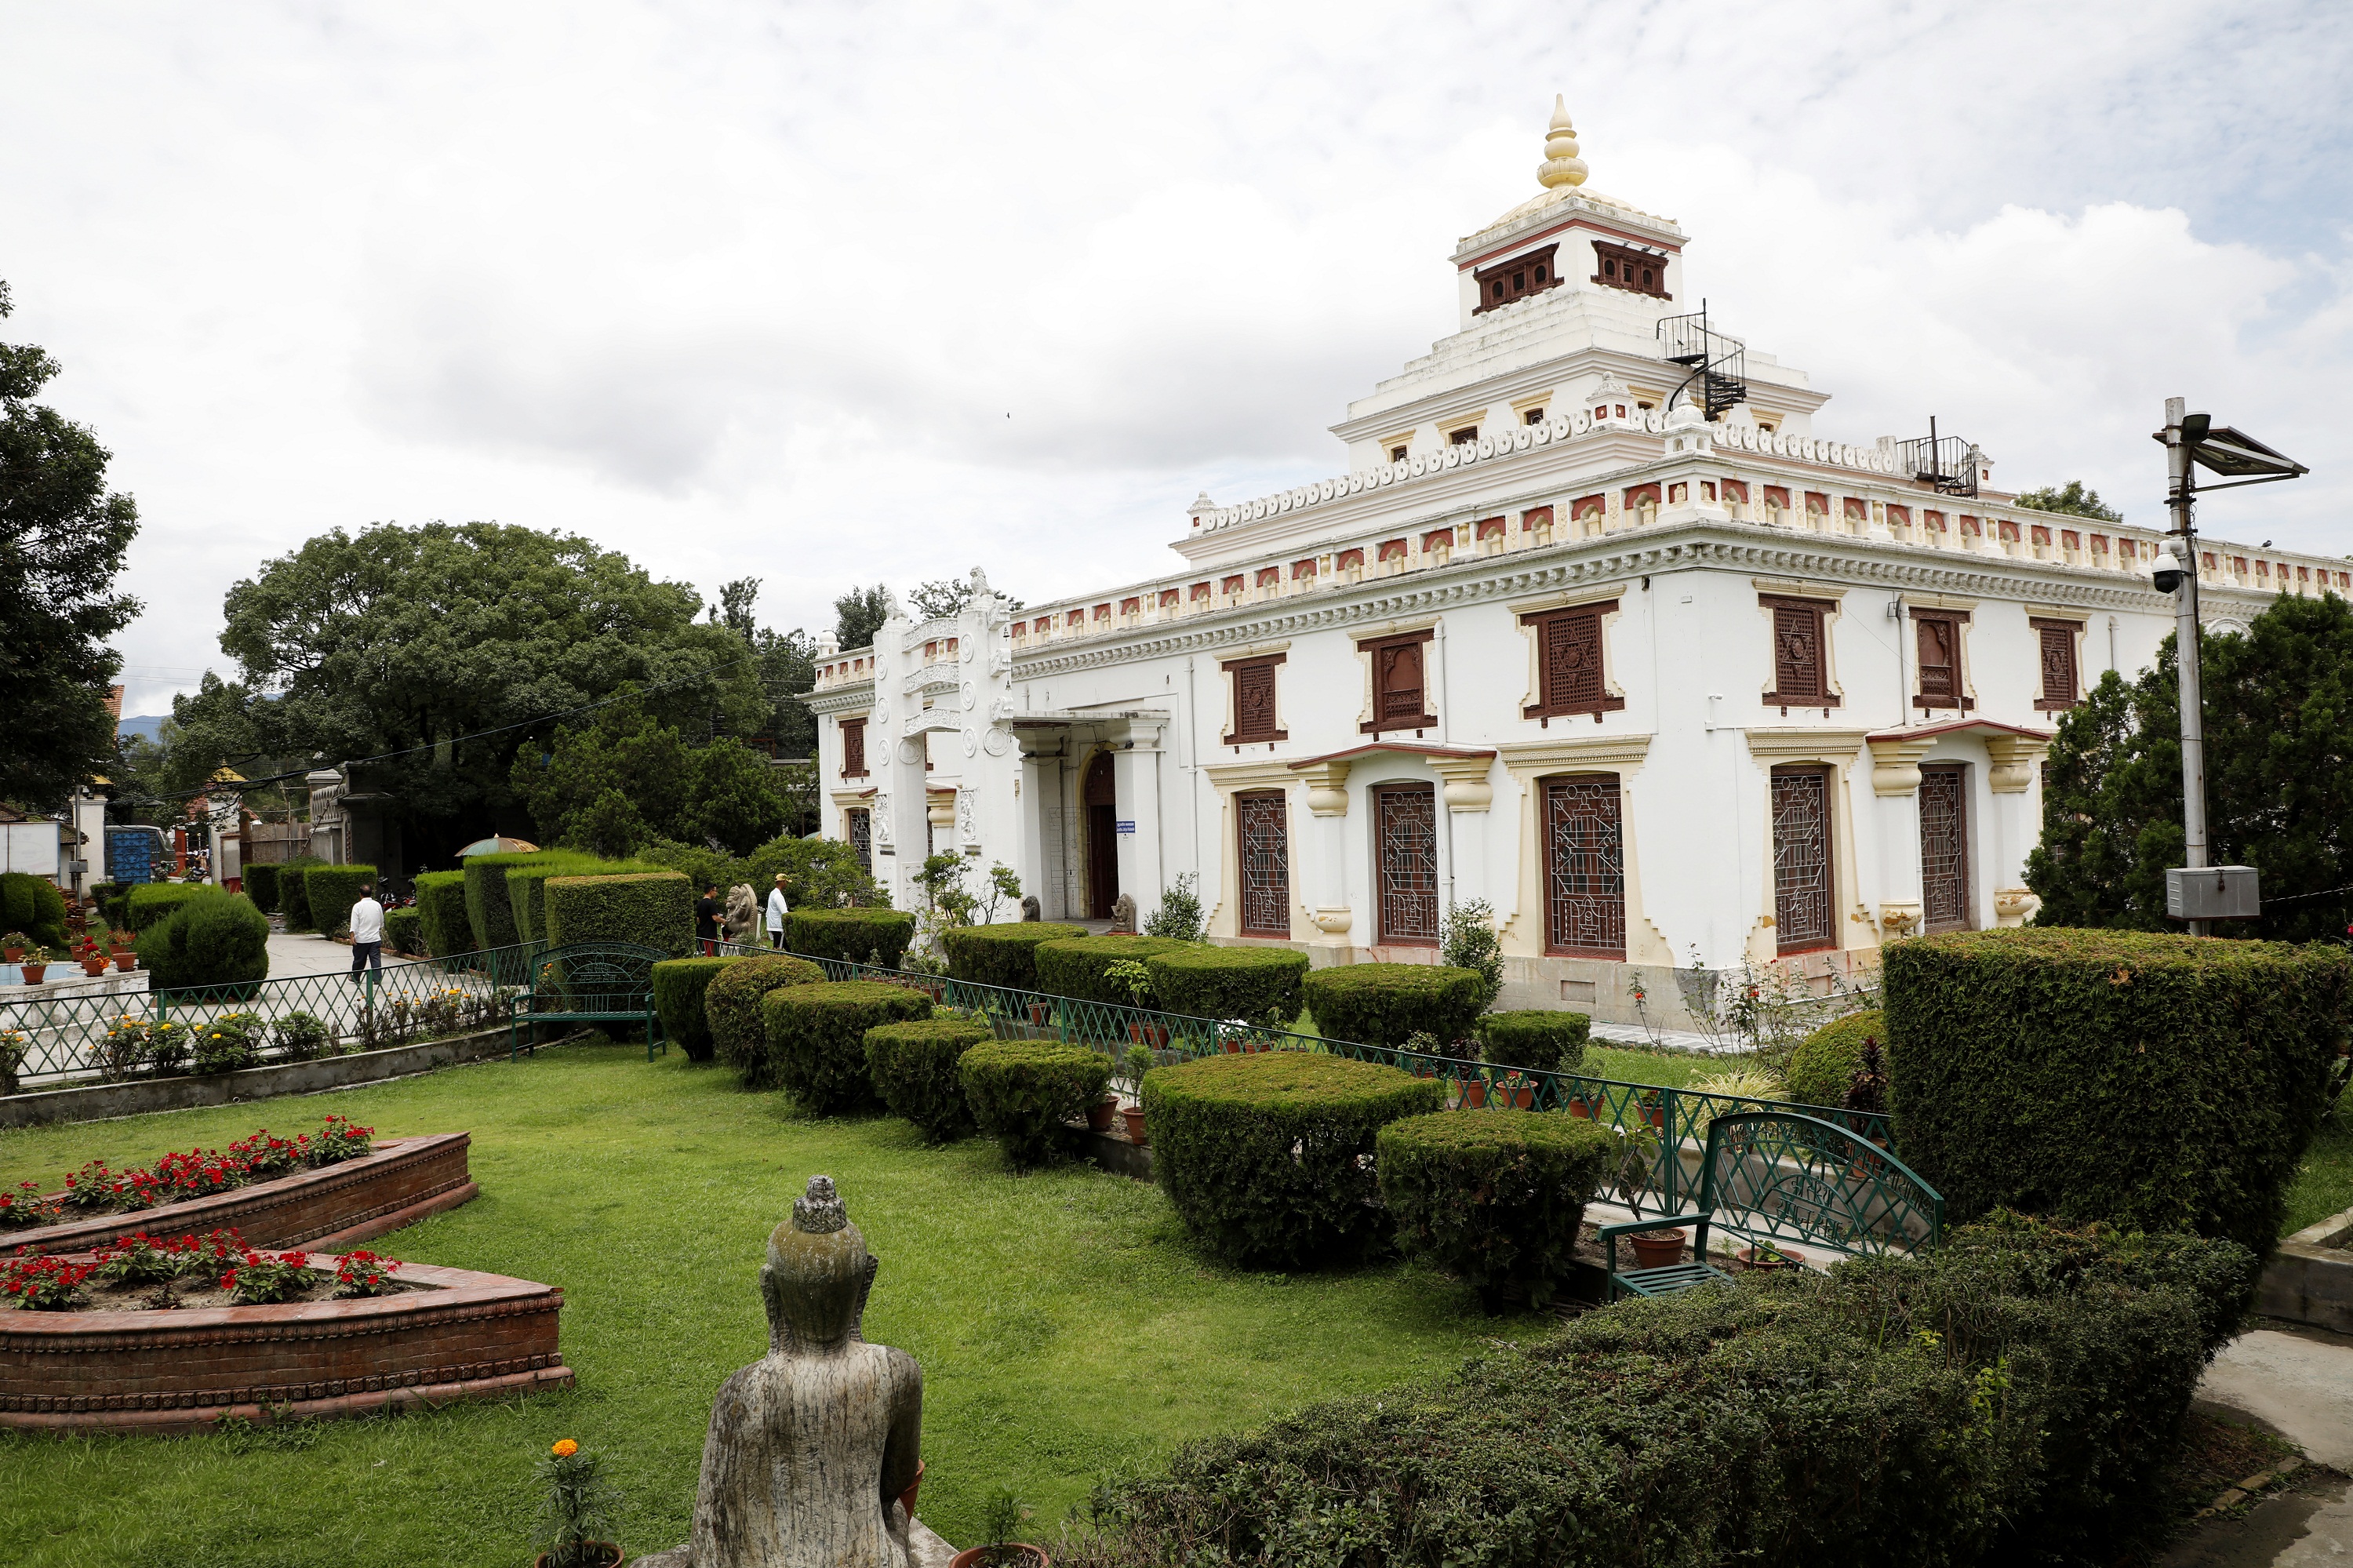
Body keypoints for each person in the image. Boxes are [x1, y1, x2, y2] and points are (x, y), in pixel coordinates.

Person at [349, 882, 385, 984]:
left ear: (360, 894)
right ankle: (377, 978)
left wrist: (352, 935)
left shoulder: (358, 906)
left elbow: (354, 923)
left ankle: (356, 977)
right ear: (371, 893)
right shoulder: (377, 905)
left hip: (362, 939)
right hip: (375, 938)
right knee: (376, 959)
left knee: (359, 960)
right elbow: (381, 921)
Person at [696, 884, 722, 955]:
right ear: (711, 891)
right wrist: (723, 920)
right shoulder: (711, 903)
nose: (716, 893)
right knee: (710, 954)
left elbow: (698, 919)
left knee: (703, 953)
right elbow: (715, 918)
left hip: (701, 933)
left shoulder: (699, 903)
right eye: (715, 891)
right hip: (710, 934)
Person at [766, 874, 791, 950]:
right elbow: (785, 913)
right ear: (782, 882)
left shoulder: (773, 893)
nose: (786, 884)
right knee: (779, 949)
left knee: (784, 947)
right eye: (786, 882)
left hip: (773, 926)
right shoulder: (778, 896)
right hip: (778, 927)